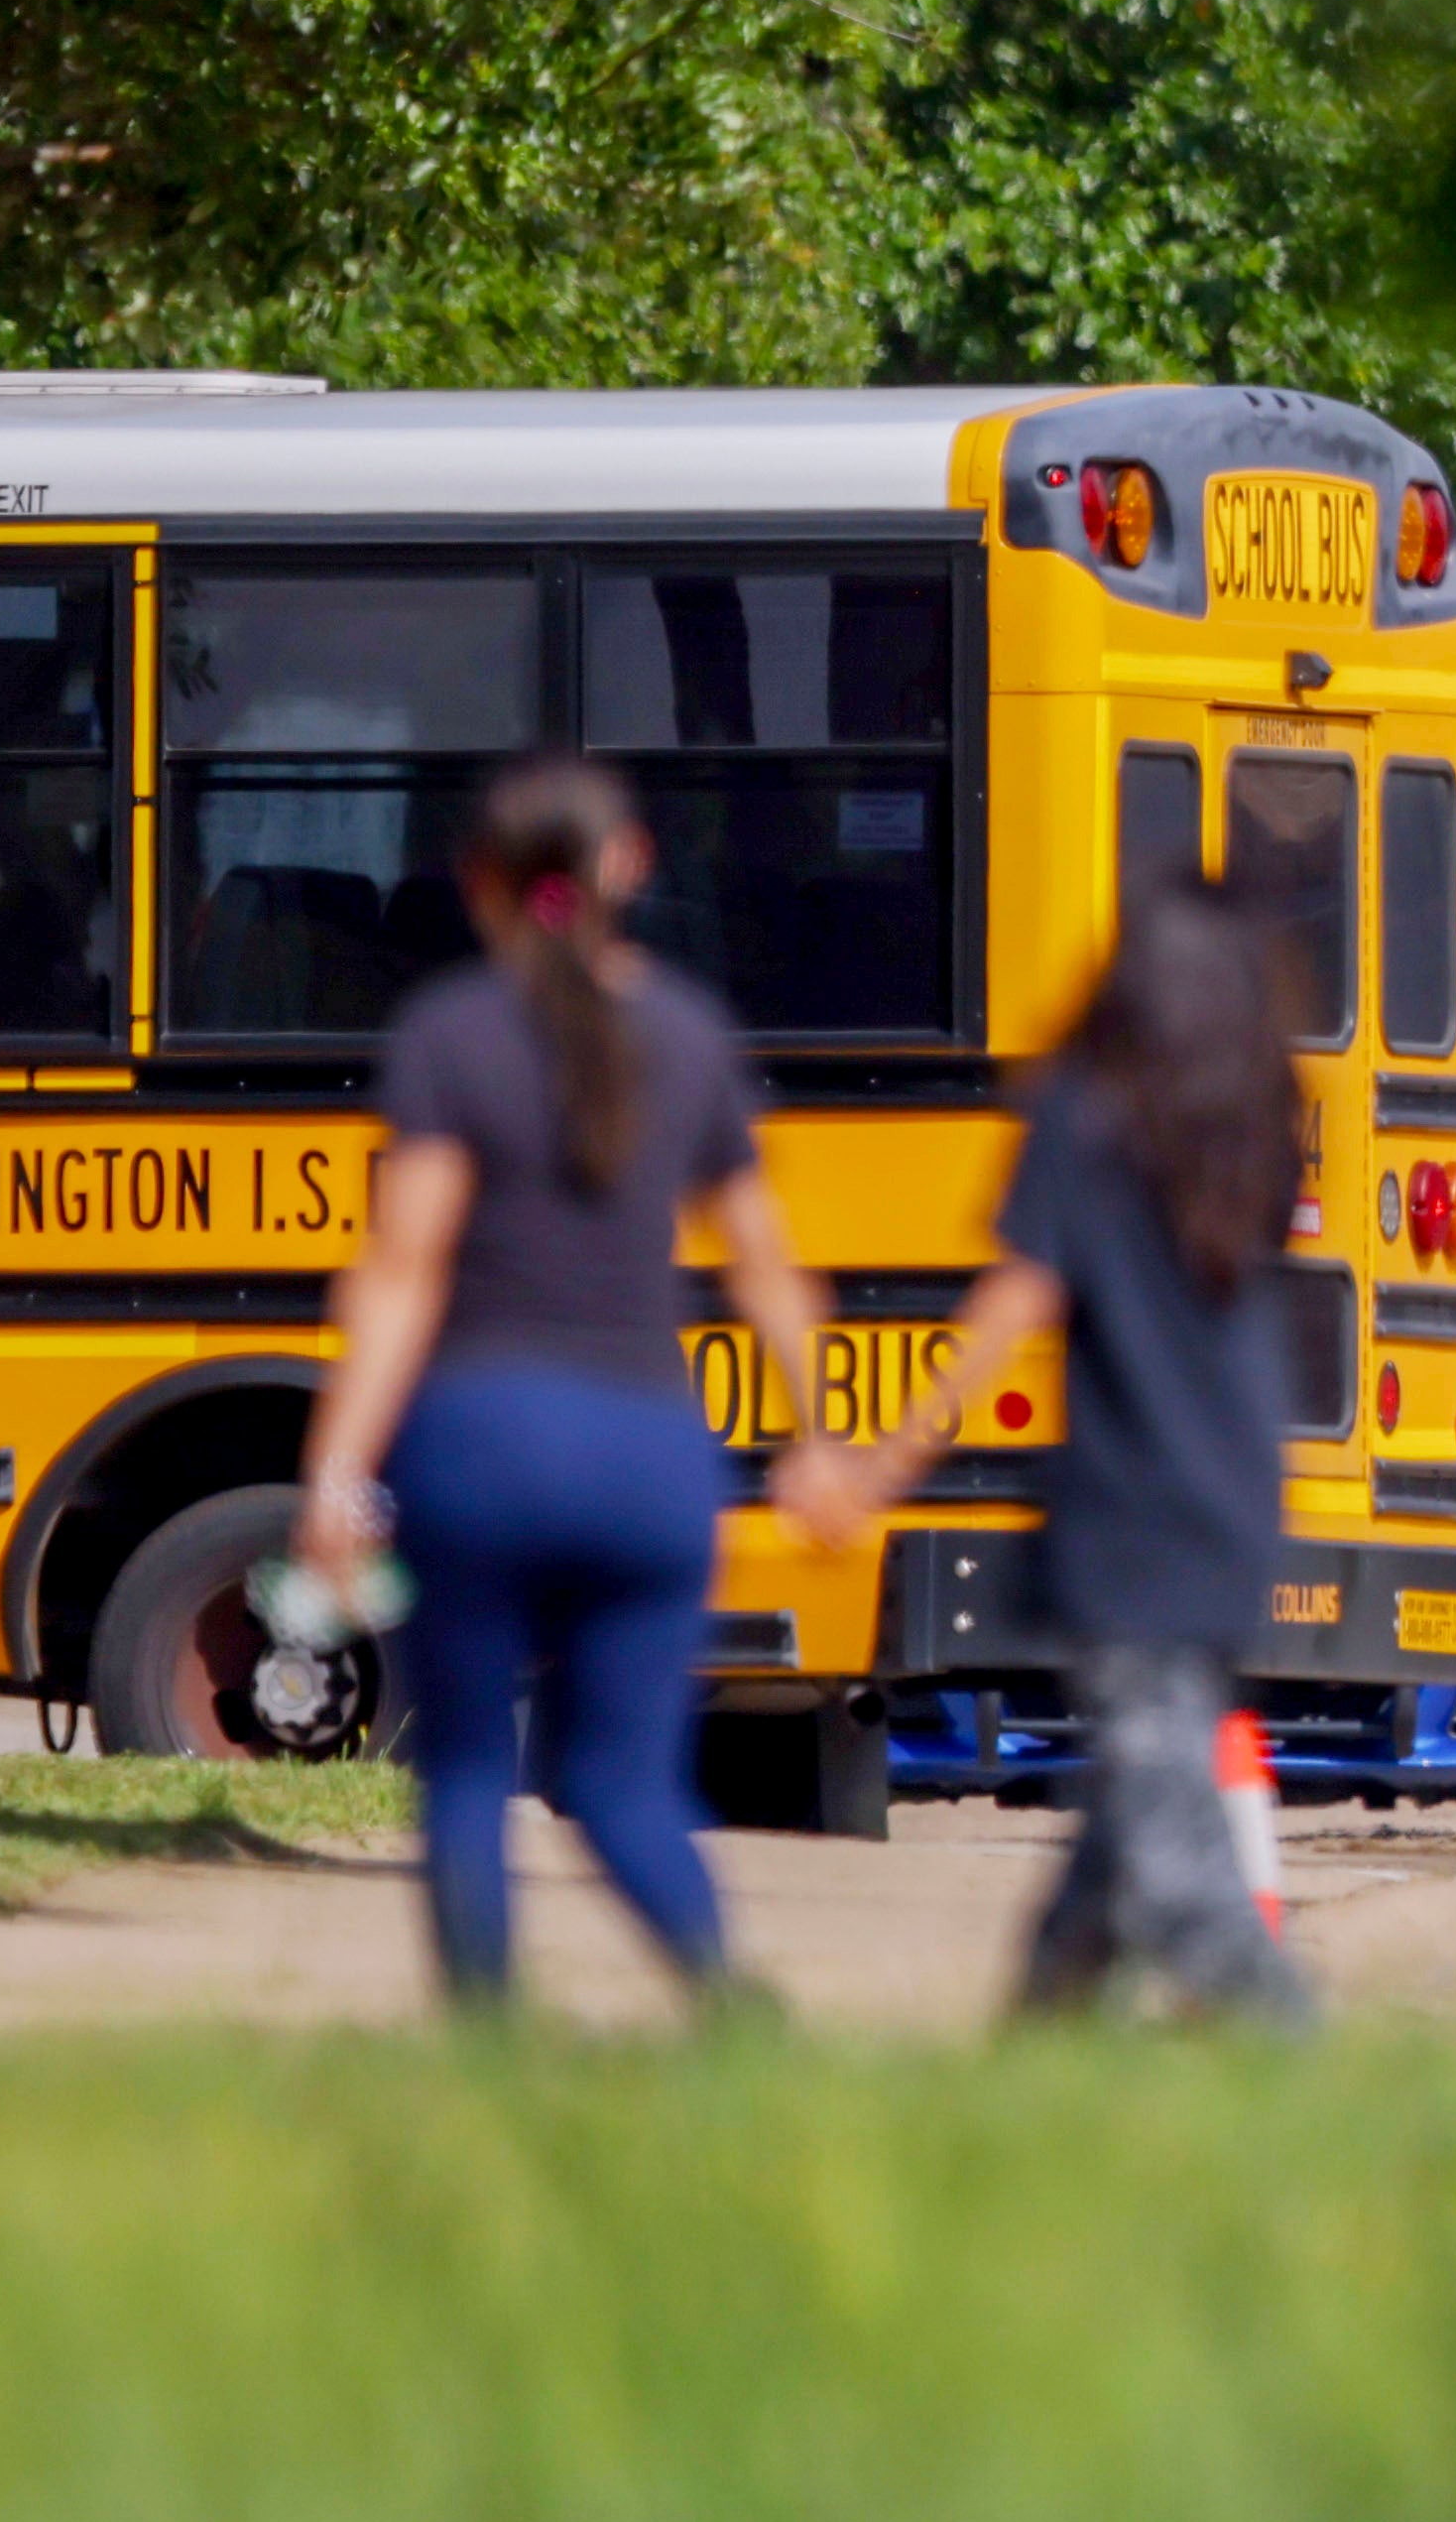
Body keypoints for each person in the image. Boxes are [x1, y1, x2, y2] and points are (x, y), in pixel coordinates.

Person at [291, 755, 854, 2017]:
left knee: (471, 1767)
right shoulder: (693, 1036)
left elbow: (401, 1272)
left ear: (476, 882)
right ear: (629, 869)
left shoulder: (449, 1033)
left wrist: (335, 1478)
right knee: (625, 1785)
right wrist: (821, 1441)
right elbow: (768, 1268)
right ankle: (728, 2005)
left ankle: (489, 2036)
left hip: (482, 1446)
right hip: (655, 1461)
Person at [839, 882, 1320, 2024]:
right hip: (1239, 1501)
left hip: (1133, 1518)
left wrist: (883, 1457)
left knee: (1174, 1859)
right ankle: (1040, 2043)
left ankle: (1294, 2047)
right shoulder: (1253, 1114)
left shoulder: (1088, 1113)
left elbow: (1018, 1300)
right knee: (1132, 1808)